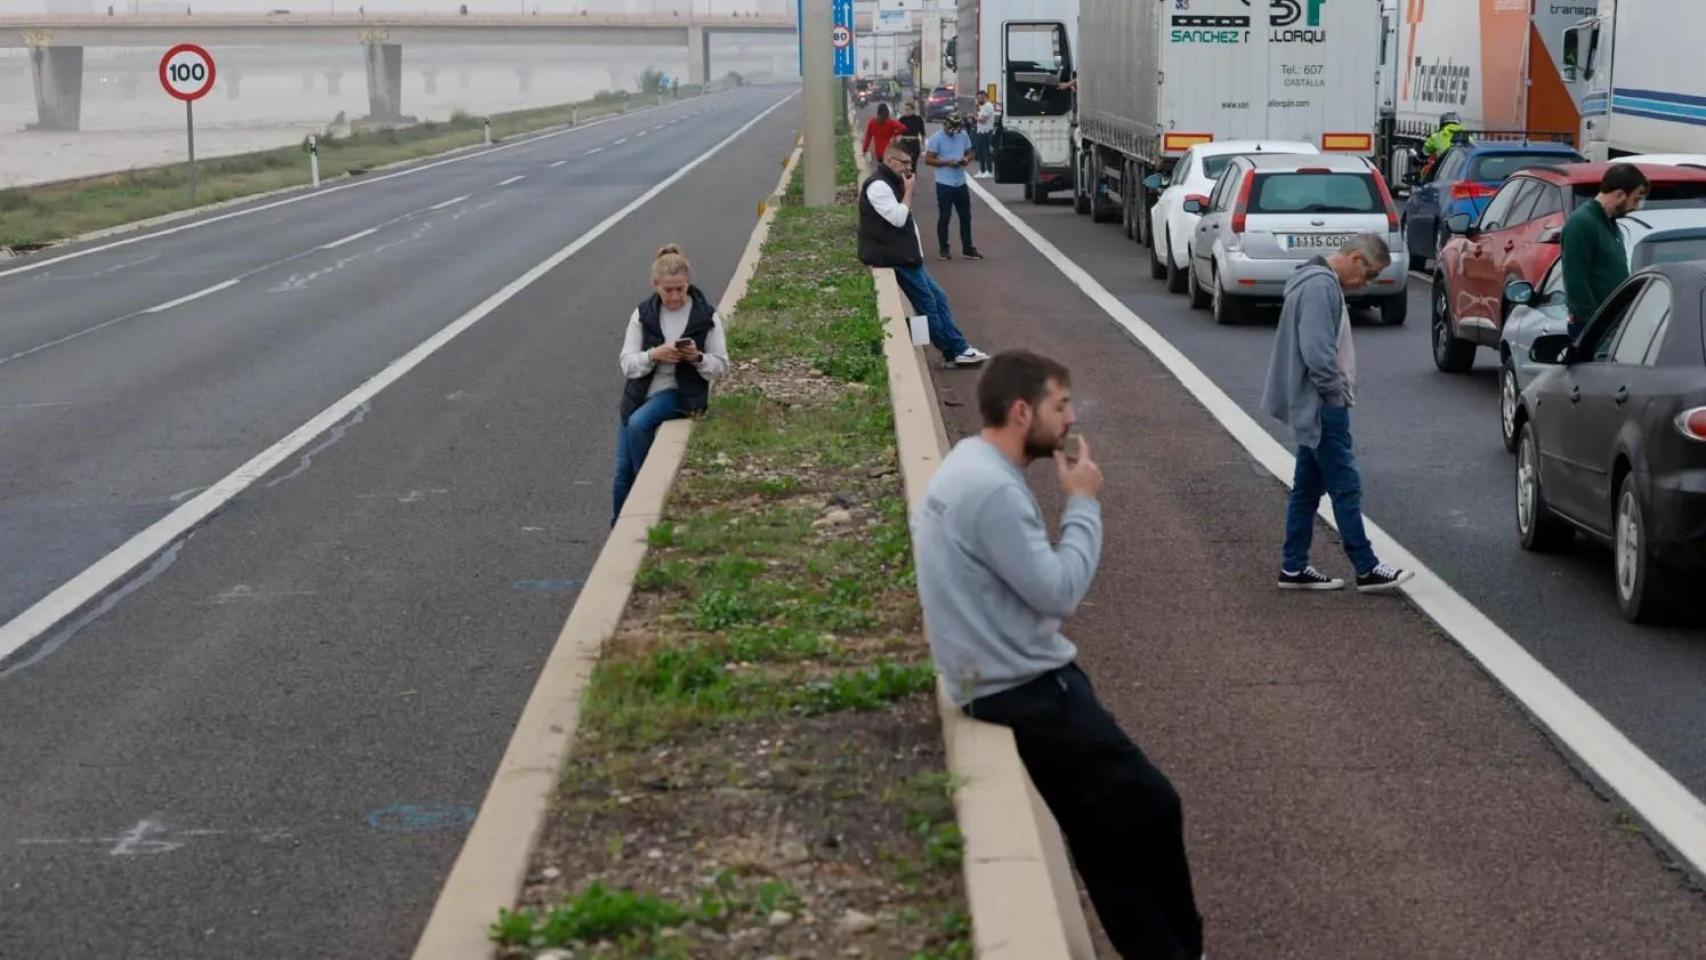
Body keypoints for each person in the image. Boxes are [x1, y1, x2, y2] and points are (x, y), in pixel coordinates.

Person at [913, 350, 1204, 960]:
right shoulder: (993, 489)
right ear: (1022, 412)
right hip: (1029, 692)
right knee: (1152, 806)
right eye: (1060, 406)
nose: (1070, 419)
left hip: (990, 680)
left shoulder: (968, 464)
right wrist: (1082, 502)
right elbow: (1059, 591)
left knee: (1103, 843)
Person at [1260, 234, 1414, 593]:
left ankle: (1294, 566)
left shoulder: (1312, 280)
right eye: (1370, 273)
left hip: (1311, 402)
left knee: (1307, 489)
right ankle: (1367, 567)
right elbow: (1317, 353)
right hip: (1322, 405)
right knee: (1346, 484)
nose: (1367, 283)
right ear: (1356, 258)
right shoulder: (1320, 288)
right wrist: (1335, 396)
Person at [612, 245, 729, 525]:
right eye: (669, 290)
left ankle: (648, 494)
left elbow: (722, 366)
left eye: (681, 289)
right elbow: (627, 363)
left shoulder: (706, 316)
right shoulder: (642, 314)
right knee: (620, 475)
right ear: (656, 286)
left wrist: (697, 358)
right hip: (641, 392)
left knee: (640, 424)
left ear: (688, 283)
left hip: (680, 391)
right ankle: (619, 526)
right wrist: (654, 355)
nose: (675, 296)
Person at [858, 139, 989, 368]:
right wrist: (909, 191)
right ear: (890, 160)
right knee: (928, 305)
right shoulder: (878, 186)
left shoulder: (892, 181)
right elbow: (899, 219)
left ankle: (956, 348)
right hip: (895, 257)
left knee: (938, 299)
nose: (909, 168)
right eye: (905, 163)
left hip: (907, 256)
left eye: (911, 163)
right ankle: (952, 350)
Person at [1562, 162, 1649, 333]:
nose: (1635, 207)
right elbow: (1576, 281)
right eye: (1635, 199)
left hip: (1613, 325)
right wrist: (1594, 325)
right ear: (1620, 194)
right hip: (1594, 331)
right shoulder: (1582, 223)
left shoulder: (1610, 224)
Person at [925, 113, 983, 261]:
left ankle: (967, 248)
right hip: (944, 183)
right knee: (945, 217)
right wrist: (946, 163)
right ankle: (943, 248)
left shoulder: (962, 135)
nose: (953, 133)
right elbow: (928, 159)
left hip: (960, 182)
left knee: (966, 216)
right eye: (951, 129)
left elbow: (970, 152)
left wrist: (966, 159)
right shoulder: (936, 138)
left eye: (955, 130)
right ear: (945, 125)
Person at [862, 102, 907, 167]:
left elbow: (868, 137)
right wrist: (895, 134)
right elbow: (903, 128)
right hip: (889, 151)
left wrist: (864, 150)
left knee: (881, 168)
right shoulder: (890, 122)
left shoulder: (872, 122)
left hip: (878, 153)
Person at [973, 91, 997, 179]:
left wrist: (974, 117)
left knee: (986, 152)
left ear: (984, 97)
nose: (978, 99)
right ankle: (982, 170)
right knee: (980, 152)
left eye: (980, 98)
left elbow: (983, 120)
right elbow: (979, 116)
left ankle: (989, 171)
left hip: (986, 132)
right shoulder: (982, 106)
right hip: (980, 131)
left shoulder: (988, 106)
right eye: (978, 98)